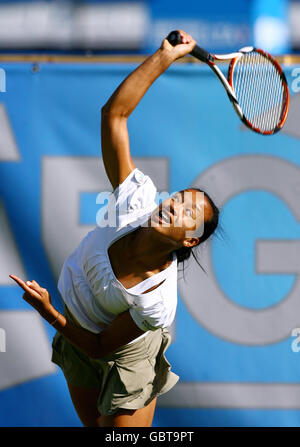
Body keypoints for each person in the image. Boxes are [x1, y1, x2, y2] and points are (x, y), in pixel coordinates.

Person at [10, 30, 219, 427]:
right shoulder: (135, 201)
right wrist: (164, 56)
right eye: (178, 197)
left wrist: (49, 313)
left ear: (190, 239)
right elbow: (114, 115)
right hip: (79, 326)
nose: (174, 205)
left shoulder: (157, 302)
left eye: (188, 212)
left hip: (126, 352)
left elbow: (105, 344)